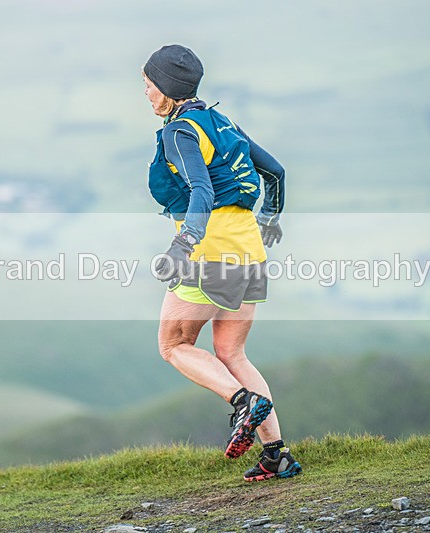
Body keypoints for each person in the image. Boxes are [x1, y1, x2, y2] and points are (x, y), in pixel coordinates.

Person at [142, 44, 301, 482]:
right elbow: (276, 171)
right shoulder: (221, 121)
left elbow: (202, 190)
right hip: (250, 251)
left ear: (167, 89)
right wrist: (269, 218)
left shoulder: (180, 132)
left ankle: (242, 402)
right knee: (231, 352)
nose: (146, 93)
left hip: (210, 254)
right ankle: (276, 455)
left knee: (173, 346)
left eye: (149, 85)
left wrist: (183, 244)